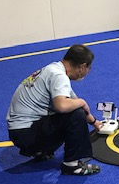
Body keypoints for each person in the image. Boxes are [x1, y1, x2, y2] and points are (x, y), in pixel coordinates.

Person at [7, 44, 102, 175]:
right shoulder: (59, 76)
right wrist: (82, 102)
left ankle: (40, 151)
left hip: (19, 131)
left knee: (73, 108)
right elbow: (62, 106)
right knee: (76, 114)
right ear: (82, 66)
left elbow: (73, 101)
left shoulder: (53, 69)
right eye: (89, 68)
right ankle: (72, 165)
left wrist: (95, 123)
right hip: (26, 135)